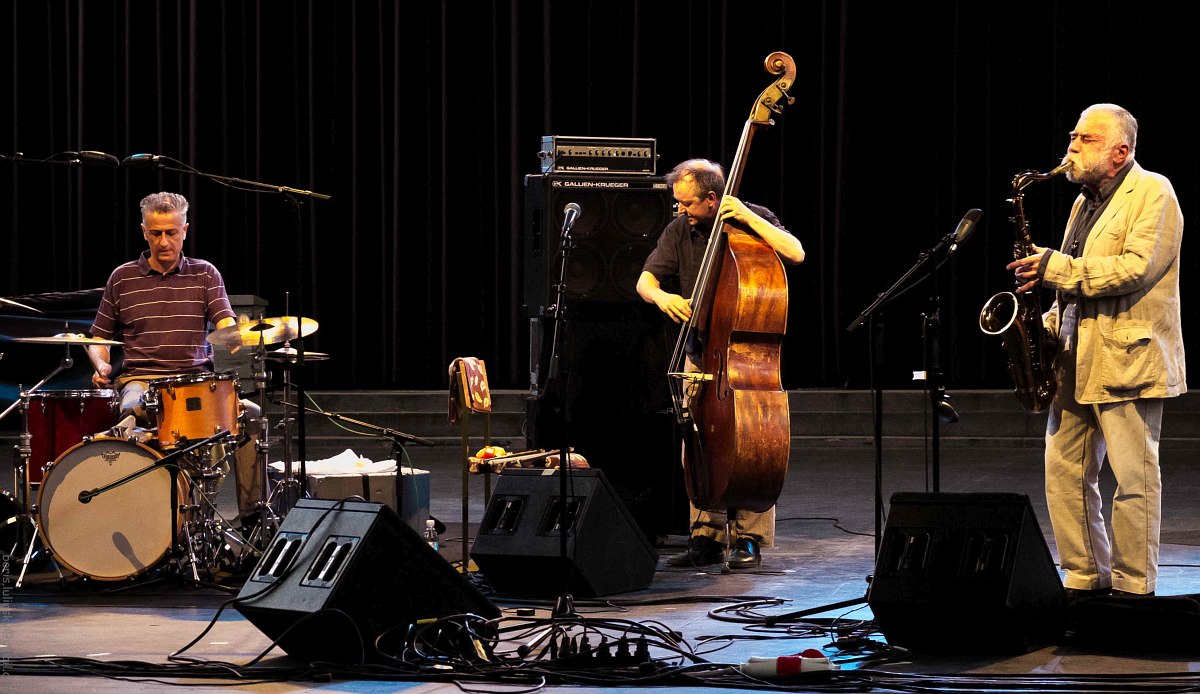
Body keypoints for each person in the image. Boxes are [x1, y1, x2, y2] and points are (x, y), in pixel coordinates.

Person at [1007, 103, 1185, 598]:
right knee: (1064, 473)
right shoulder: (1082, 202)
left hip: (1129, 359)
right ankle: (1083, 579)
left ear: (1120, 152)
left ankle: (1133, 588)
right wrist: (1042, 326)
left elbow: (1135, 269)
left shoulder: (1154, 192)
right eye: (1073, 135)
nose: (1071, 145)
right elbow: (1074, 287)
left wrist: (1055, 268)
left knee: (1134, 480)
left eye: (1085, 138)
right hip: (1075, 357)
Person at [636, 158, 805, 569]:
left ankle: (749, 536)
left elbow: (795, 252)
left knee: (753, 443)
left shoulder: (752, 219)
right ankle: (705, 535)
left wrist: (746, 215)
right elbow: (645, 280)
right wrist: (664, 297)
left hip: (744, 359)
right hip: (699, 352)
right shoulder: (680, 230)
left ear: (712, 199)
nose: (680, 210)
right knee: (698, 445)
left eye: (688, 203)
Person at [87, 192, 262, 519]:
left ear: (185, 230)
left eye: (171, 232)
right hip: (143, 380)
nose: (164, 241)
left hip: (197, 382)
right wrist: (102, 363)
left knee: (251, 416)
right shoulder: (122, 278)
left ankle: (252, 517)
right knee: (130, 411)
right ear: (144, 231)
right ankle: (137, 512)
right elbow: (98, 337)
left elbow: (223, 318)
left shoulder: (205, 273)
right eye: (156, 233)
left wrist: (232, 334)